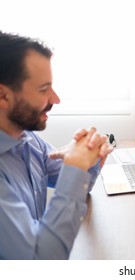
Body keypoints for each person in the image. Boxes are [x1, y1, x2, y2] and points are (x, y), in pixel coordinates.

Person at [0, 31, 112, 259]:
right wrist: (76, 166)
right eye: (43, 90)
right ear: (3, 95)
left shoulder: (29, 140)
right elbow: (42, 261)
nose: (56, 99)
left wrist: (88, 156)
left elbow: (80, 185)